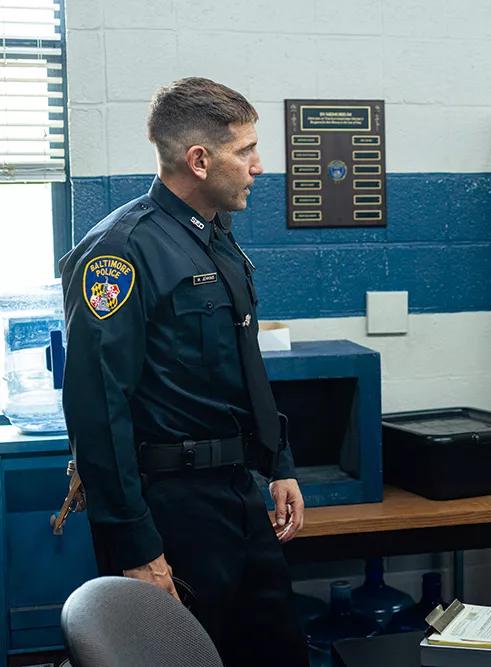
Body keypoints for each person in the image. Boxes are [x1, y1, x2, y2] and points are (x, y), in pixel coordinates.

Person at [60, 77, 309, 666]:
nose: (259, 166)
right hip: (170, 508)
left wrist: (278, 463)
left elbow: (242, 366)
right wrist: (137, 547)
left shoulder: (217, 240)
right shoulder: (121, 251)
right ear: (199, 160)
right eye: (245, 150)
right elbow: (98, 408)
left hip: (237, 494)